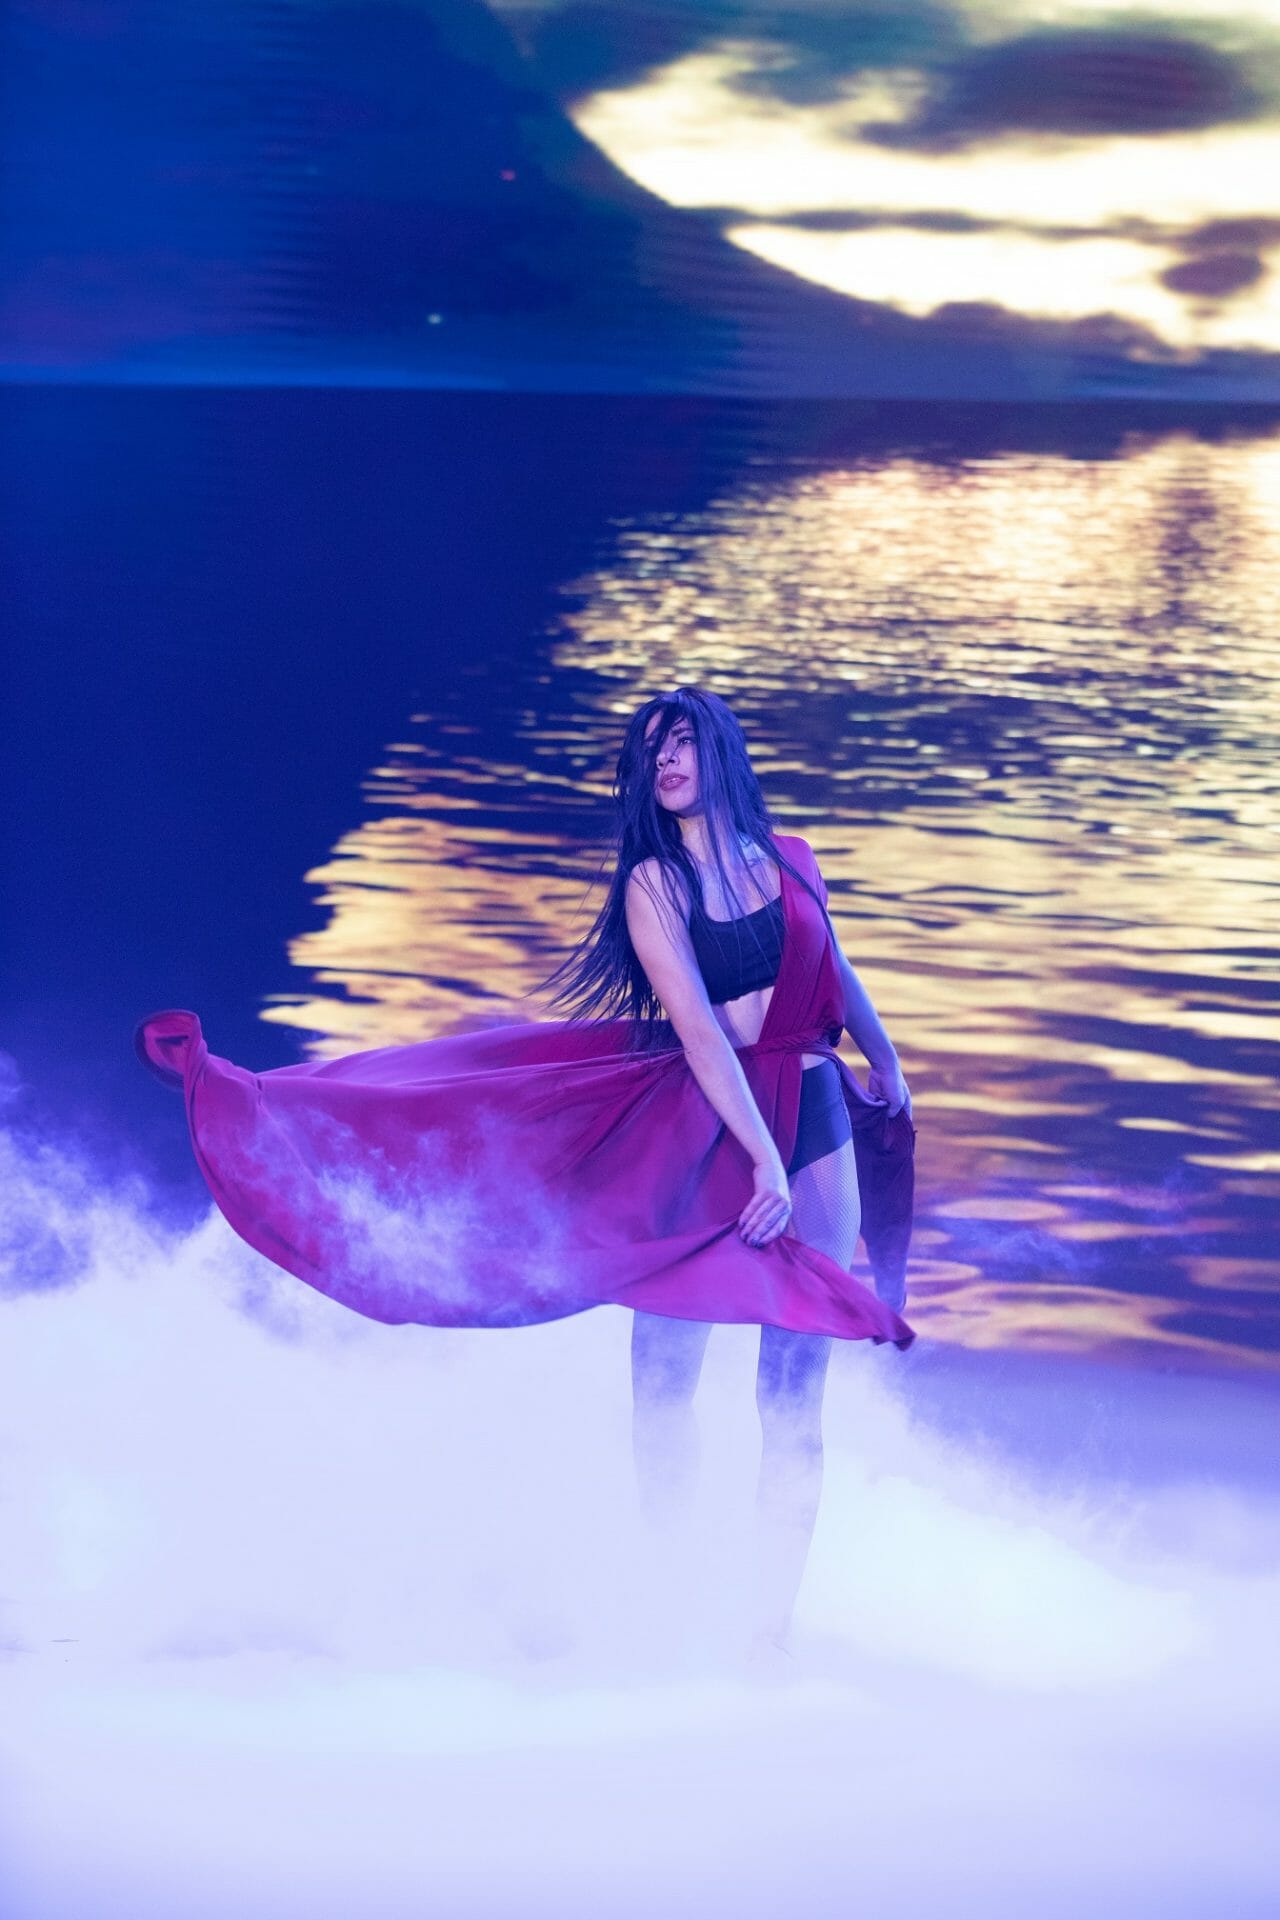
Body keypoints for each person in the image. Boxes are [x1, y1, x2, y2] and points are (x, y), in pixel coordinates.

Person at [135, 685, 916, 1650]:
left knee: (792, 1395)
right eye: (651, 751)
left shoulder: (791, 858)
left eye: (681, 743)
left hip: (818, 1118)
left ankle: (769, 1631)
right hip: (709, 1133)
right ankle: (673, 1599)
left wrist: (885, 1062)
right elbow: (701, 1036)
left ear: (721, 750)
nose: (666, 762)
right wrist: (760, 1161)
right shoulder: (655, 885)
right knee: (664, 1384)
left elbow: (834, 965)